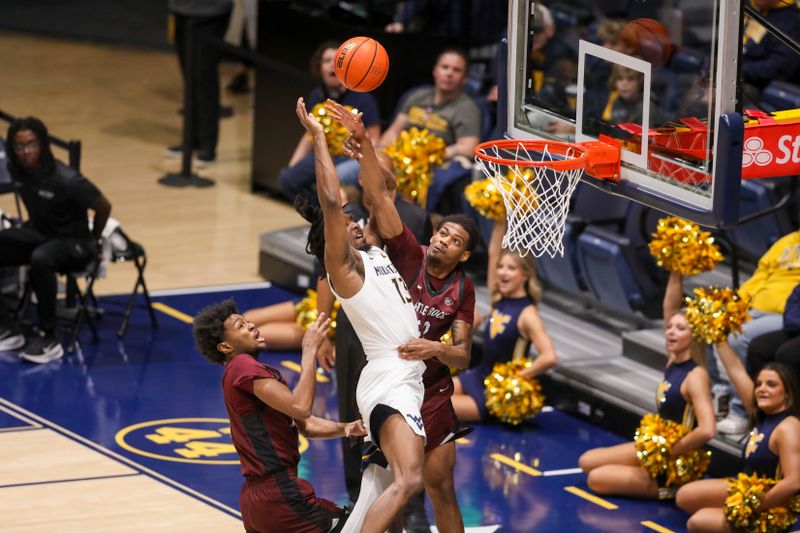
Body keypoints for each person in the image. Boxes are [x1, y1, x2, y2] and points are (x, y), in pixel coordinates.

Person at [329, 97, 478, 532]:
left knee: (442, 490)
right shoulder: (407, 254)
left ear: (463, 255)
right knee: (389, 486)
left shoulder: (462, 289)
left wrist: (435, 347)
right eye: (442, 233)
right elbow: (378, 197)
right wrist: (367, 143)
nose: (444, 240)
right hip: (393, 387)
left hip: (431, 391)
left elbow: (464, 356)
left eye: (454, 240)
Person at [294, 96, 427, 533]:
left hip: (405, 374)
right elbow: (332, 201)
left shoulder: (374, 251)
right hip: (389, 374)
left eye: (357, 219)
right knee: (410, 480)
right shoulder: (344, 268)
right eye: (346, 223)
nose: (354, 222)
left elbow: (381, 193)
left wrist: (364, 142)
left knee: (382, 482)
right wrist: (319, 139)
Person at [192, 299, 366, 532]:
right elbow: (301, 406)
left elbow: (308, 424)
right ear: (225, 347)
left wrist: (345, 428)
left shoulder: (239, 373)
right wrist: (309, 350)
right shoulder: (243, 365)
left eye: (247, 321)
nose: (251, 326)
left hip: (256, 502)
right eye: (241, 326)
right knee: (363, 526)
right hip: (279, 495)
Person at [578, 271, 716, 499]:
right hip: (657, 448)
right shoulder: (674, 360)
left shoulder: (696, 375)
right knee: (587, 461)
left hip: (675, 462)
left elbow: (708, 429)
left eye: (680, 329)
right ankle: (643, 472)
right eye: (670, 328)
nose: (671, 332)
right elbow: (669, 309)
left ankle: (673, 487)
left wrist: (672, 451)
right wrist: (676, 270)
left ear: (695, 336)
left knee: (597, 478)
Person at [0, 117, 112, 364]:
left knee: (41, 258)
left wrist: (95, 242)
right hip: (41, 234)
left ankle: (49, 337)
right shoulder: (19, 171)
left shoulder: (66, 178)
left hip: (76, 243)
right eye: (19, 146)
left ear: (43, 145)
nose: (26, 151)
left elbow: (104, 206)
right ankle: (7, 328)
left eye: (32, 144)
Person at [676, 345, 800, 531]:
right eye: (758, 384)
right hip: (746, 489)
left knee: (697, 521)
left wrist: (753, 507)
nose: (762, 389)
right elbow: (736, 370)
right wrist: (719, 336)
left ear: (788, 394)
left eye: (771, 385)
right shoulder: (762, 414)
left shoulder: (788, 427)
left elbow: (794, 482)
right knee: (685, 496)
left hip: (772, 505)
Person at [451, 219, 557, 422]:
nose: (502, 272)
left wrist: (516, 379)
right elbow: (493, 253)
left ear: (525, 274)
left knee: (431, 408)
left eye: (511, 268)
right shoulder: (499, 297)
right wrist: (500, 220)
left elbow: (549, 357)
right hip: (477, 376)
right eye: (501, 267)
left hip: (492, 395)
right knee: (423, 394)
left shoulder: (528, 314)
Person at [377, 48, 481, 213]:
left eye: (456, 70)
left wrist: (428, 155)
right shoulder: (417, 96)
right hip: (396, 160)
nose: (449, 73)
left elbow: (469, 147)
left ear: (464, 78)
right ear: (435, 70)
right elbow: (393, 131)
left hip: (430, 169)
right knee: (349, 173)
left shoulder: (467, 108)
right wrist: (379, 154)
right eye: (445, 67)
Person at [716, 229, 800, 435]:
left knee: (737, 338)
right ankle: (718, 390)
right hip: (757, 307)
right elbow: (760, 275)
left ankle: (742, 410)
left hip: (781, 312)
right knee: (705, 321)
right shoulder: (788, 241)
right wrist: (734, 304)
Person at [278, 41, 381, 200]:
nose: (333, 66)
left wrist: (358, 156)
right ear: (320, 68)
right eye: (327, 61)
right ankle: (323, 215)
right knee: (287, 180)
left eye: (337, 62)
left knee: (334, 177)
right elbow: (309, 136)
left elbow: (374, 139)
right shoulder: (317, 96)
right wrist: (292, 165)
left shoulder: (363, 98)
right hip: (323, 154)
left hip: (350, 158)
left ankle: (336, 216)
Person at [166, 0, 233, 166]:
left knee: (204, 77)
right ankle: (191, 142)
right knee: (189, 78)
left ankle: (207, 145)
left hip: (211, 13)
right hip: (181, 10)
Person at [741, 0, 800, 104]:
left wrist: (739, 70)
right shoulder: (747, 6)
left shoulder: (791, 18)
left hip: (761, 85)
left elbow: (780, 66)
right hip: (739, 74)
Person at [746, 283, 800, 379]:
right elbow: (794, 302)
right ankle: (760, 390)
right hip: (795, 326)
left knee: (788, 354)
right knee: (758, 348)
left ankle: (791, 393)